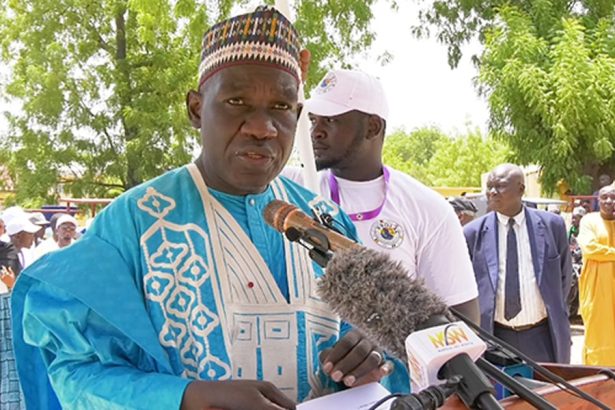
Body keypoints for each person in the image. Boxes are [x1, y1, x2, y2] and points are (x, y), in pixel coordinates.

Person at [11, 8, 408, 410]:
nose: (262, 127)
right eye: (237, 101)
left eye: (281, 107)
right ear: (196, 109)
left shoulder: (326, 221)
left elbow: (386, 354)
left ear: (298, 116)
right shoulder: (132, 224)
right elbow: (74, 373)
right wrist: (186, 397)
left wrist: (371, 355)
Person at [284, 69, 480, 322]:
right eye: (313, 120)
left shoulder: (428, 208)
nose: (316, 132)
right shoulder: (290, 187)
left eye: (330, 120)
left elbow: (464, 322)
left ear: (372, 127)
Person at [464, 164, 572, 363]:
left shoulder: (552, 225)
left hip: (543, 336)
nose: (492, 192)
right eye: (489, 187)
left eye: (500, 186)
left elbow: (565, 277)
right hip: (495, 338)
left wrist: (555, 308)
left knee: (546, 384)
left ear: (521, 189)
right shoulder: (473, 233)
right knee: (498, 385)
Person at [576, 183, 615, 365]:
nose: (609, 201)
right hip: (596, 289)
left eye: (613, 197)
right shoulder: (589, 221)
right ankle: (597, 372)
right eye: (604, 197)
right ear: (598, 200)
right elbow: (590, 248)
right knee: (597, 332)